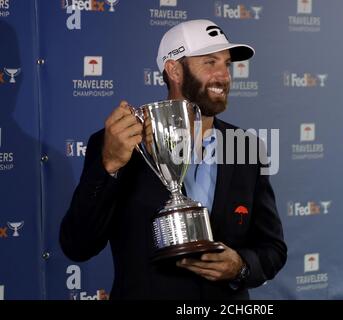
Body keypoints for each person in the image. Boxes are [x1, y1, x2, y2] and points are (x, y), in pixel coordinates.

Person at [60, 19, 287, 300]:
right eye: (209, 62)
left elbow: (272, 249)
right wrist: (109, 166)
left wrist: (240, 266)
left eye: (226, 64)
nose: (223, 75)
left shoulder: (247, 147)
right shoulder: (121, 142)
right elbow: (77, 245)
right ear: (174, 70)